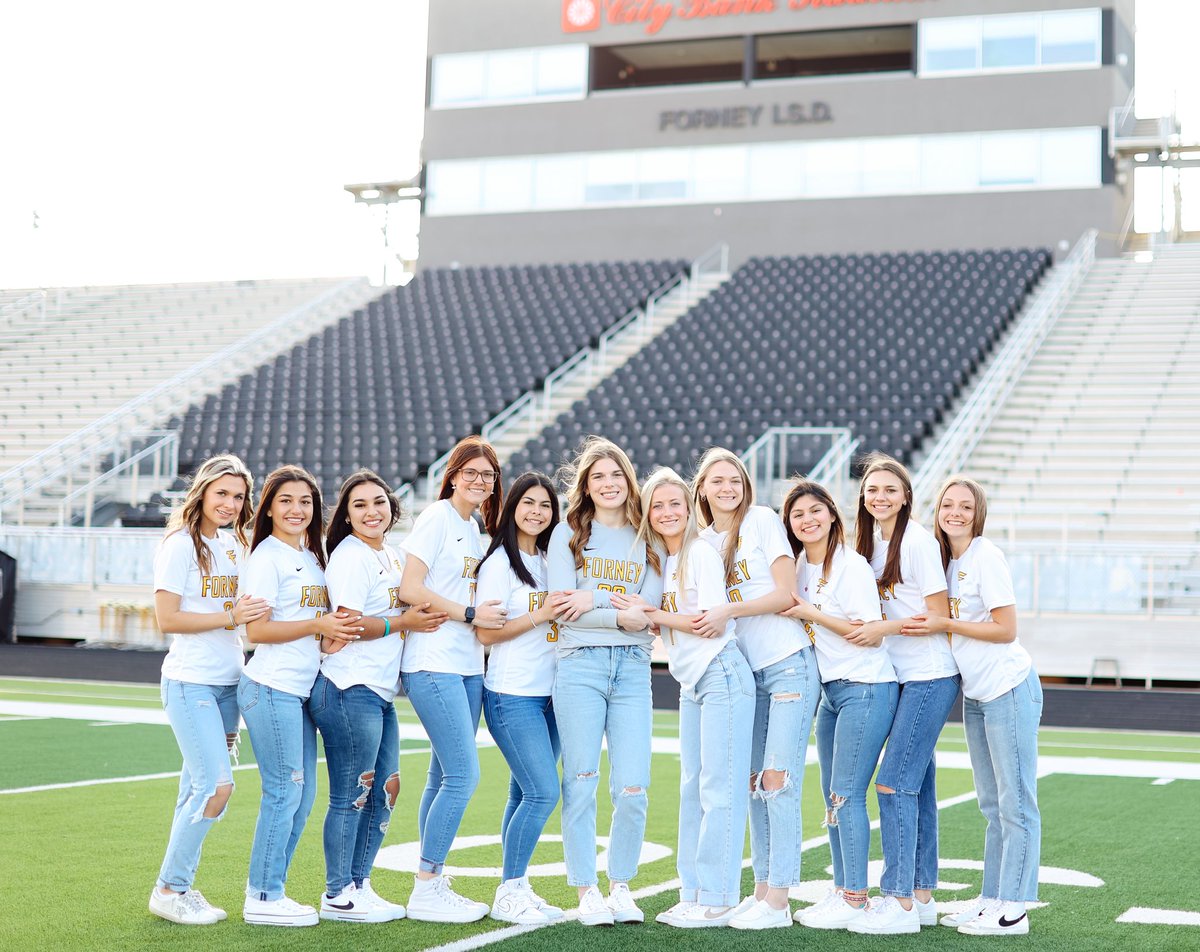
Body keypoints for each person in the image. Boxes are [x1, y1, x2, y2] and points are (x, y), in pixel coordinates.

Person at [903, 476, 1041, 937]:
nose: (956, 513)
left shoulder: (986, 556)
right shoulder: (945, 561)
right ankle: (991, 898)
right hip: (977, 695)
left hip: (1008, 687)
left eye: (965, 506)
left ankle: (1014, 909)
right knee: (991, 804)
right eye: (948, 505)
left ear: (977, 513)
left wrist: (945, 623)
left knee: (1016, 803)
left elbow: (1006, 629)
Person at [310, 469, 447, 923]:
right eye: (360, 505)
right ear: (347, 517)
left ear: (392, 506)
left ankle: (359, 882)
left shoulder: (391, 554)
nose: (372, 512)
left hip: (379, 691)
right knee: (353, 794)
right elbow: (346, 625)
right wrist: (402, 622)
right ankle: (337, 893)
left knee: (386, 790)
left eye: (379, 502)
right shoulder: (351, 556)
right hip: (349, 688)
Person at [623, 467, 754, 928]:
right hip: (691, 681)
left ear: (689, 506)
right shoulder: (667, 559)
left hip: (721, 673)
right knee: (691, 788)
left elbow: (710, 622)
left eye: (674, 503)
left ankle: (719, 897)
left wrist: (652, 614)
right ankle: (692, 891)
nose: (666, 512)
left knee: (720, 790)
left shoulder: (700, 552)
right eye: (656, 505)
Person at [691, 448, 812, 930]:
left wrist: (729, 611)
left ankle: (779, 900)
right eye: (717, 481)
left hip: (788, 665)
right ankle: (761, 890)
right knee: (754, 784)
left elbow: (786, 594)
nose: (727, 488)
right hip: (746, 675)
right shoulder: (703, 541)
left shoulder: (761, 520)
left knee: (778, 783)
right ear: (702, 489)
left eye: (734, 480)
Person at [238, 465, 363, 927]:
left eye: (306, 501)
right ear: (269, 508)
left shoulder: (312, 556)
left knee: (303, 796)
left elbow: (321, 628)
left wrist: (330, 635)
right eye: (286, 500)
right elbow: (256, 632)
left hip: (299, 692)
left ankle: (273, 888)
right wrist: (317, 624)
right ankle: (263, 894)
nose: (297, 509)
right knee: (284, 792)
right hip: (272, 687)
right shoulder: (266, 558)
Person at [149, 454, 269, 925]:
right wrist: (230, 616)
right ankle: (169, 888)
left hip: (229, 685)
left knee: (194, 791)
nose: (230, 503)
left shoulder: (235, 545)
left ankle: (177, 887)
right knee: (217, 788)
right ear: (202, 492)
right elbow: (167, 619)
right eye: (222, 493)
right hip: (190, 682)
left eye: (238, 496)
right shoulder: (180, 545)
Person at [548, 436, 661, 927]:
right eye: (598, 477)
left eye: (617, 475)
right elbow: (562, 607)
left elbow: (647, 611)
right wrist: (616, 614)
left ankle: (620, 886)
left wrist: (591, 598)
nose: (609, 484)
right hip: (580, 665)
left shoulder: (648, 536)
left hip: (633, 669)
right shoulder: (568, 534)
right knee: (581, 780)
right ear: (586, 486)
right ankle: (586, 889)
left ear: (629, 481)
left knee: (633, 786)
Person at [776, 480, 898, 932]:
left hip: (865, 687)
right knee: (832, 796)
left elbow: (868, 633)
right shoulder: (797, 568)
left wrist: (810, 613)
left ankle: (855, 898)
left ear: (831, 514)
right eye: (797, 515)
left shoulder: (851, 565)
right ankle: (842, 888)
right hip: (831, 693)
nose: (807, 520)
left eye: (815, 511)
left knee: (847, 794)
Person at [846, 453, 959, 933]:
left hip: (929, 675)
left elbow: (937, 616)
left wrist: (882, 628)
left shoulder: (917, 543)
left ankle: (899, 901)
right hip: (898, 676)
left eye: (890, 489)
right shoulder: (869, 544)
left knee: (892, 782)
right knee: (919, 785)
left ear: (906, 496)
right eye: (872, 490)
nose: (880, 497)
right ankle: (922, 894)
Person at [398, 436, 507, 922]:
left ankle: (430, 879)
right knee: (464, 776)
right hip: (433, 659)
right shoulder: (437, 517)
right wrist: (468, 612)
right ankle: (427, 886)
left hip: (467, 665)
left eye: (488, 475)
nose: (480, 481)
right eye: (471, 472)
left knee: (442, 775)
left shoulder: (474, 527)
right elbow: (410, 587)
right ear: (454, 475)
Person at [474, 471, 567, 925]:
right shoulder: (499, 564)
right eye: (528, 502)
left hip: (553, 696)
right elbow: (486, 633)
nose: (537, 512)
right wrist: (541, 614)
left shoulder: (551, 559)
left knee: (522, 792)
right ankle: (508, 890)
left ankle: (517, 883)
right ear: (513, 507)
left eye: (545, 505)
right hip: (512, 695)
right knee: (543, 792)